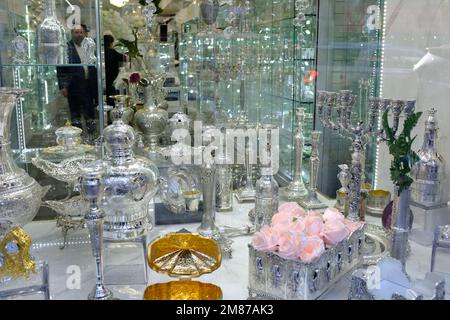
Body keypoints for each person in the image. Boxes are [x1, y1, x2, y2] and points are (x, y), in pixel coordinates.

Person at [57, 24, 98, 135]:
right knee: (75, 114)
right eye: (76, 32)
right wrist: (63, 86)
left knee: (90, 113)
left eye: (81, 32)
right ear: (72, 34)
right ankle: (77, 138)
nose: (79, 35)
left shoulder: (90, 46)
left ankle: (92, 137)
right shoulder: (66, 47)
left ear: (85, 33)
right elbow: (60, 68)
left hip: (89, 85)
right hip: (73, 86)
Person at [104, 34, 126, 107]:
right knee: (112, 97)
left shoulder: (102, 52)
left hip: (103, 78)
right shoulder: (112, 52)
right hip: (111, 78)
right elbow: (125, 58)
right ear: (111, 43)